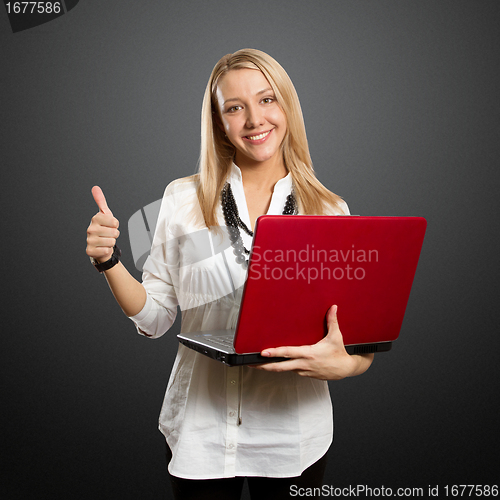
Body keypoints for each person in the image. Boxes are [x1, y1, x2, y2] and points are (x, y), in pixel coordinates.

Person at [86, 48, 374, 499]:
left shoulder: (331, 212)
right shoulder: (183, 200)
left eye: (267, 100)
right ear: (219, 121)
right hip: (200, 432)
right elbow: (156, 315)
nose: (254, 119)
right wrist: (109, 261)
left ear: (287, 107)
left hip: (293, 439)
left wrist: (348, 366)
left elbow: (355, 343)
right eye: (234, 107)